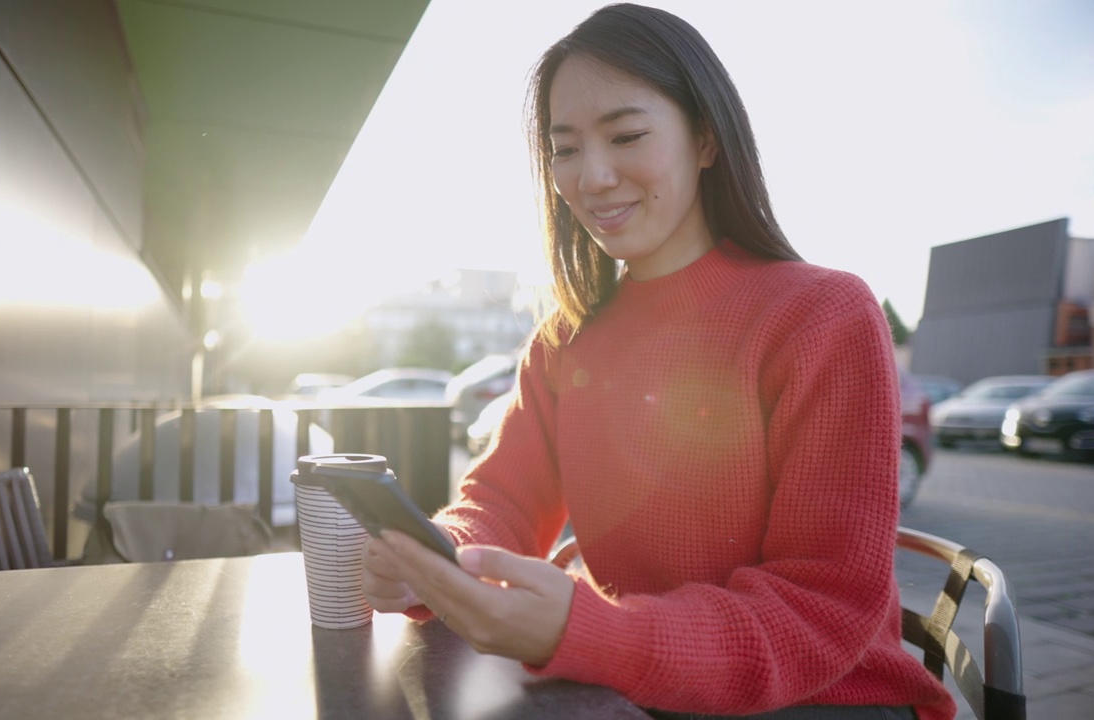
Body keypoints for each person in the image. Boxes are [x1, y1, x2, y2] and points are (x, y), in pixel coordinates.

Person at [361, 4, 955, 719]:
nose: (593, 177)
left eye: (627, 135)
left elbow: (821, 607)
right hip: (635, 689)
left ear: (706, 138)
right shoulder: (564, 341)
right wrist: (445, 559)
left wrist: (590, 630)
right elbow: (503, 502)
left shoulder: (823, 315)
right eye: (566, 149)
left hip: (824, 698)